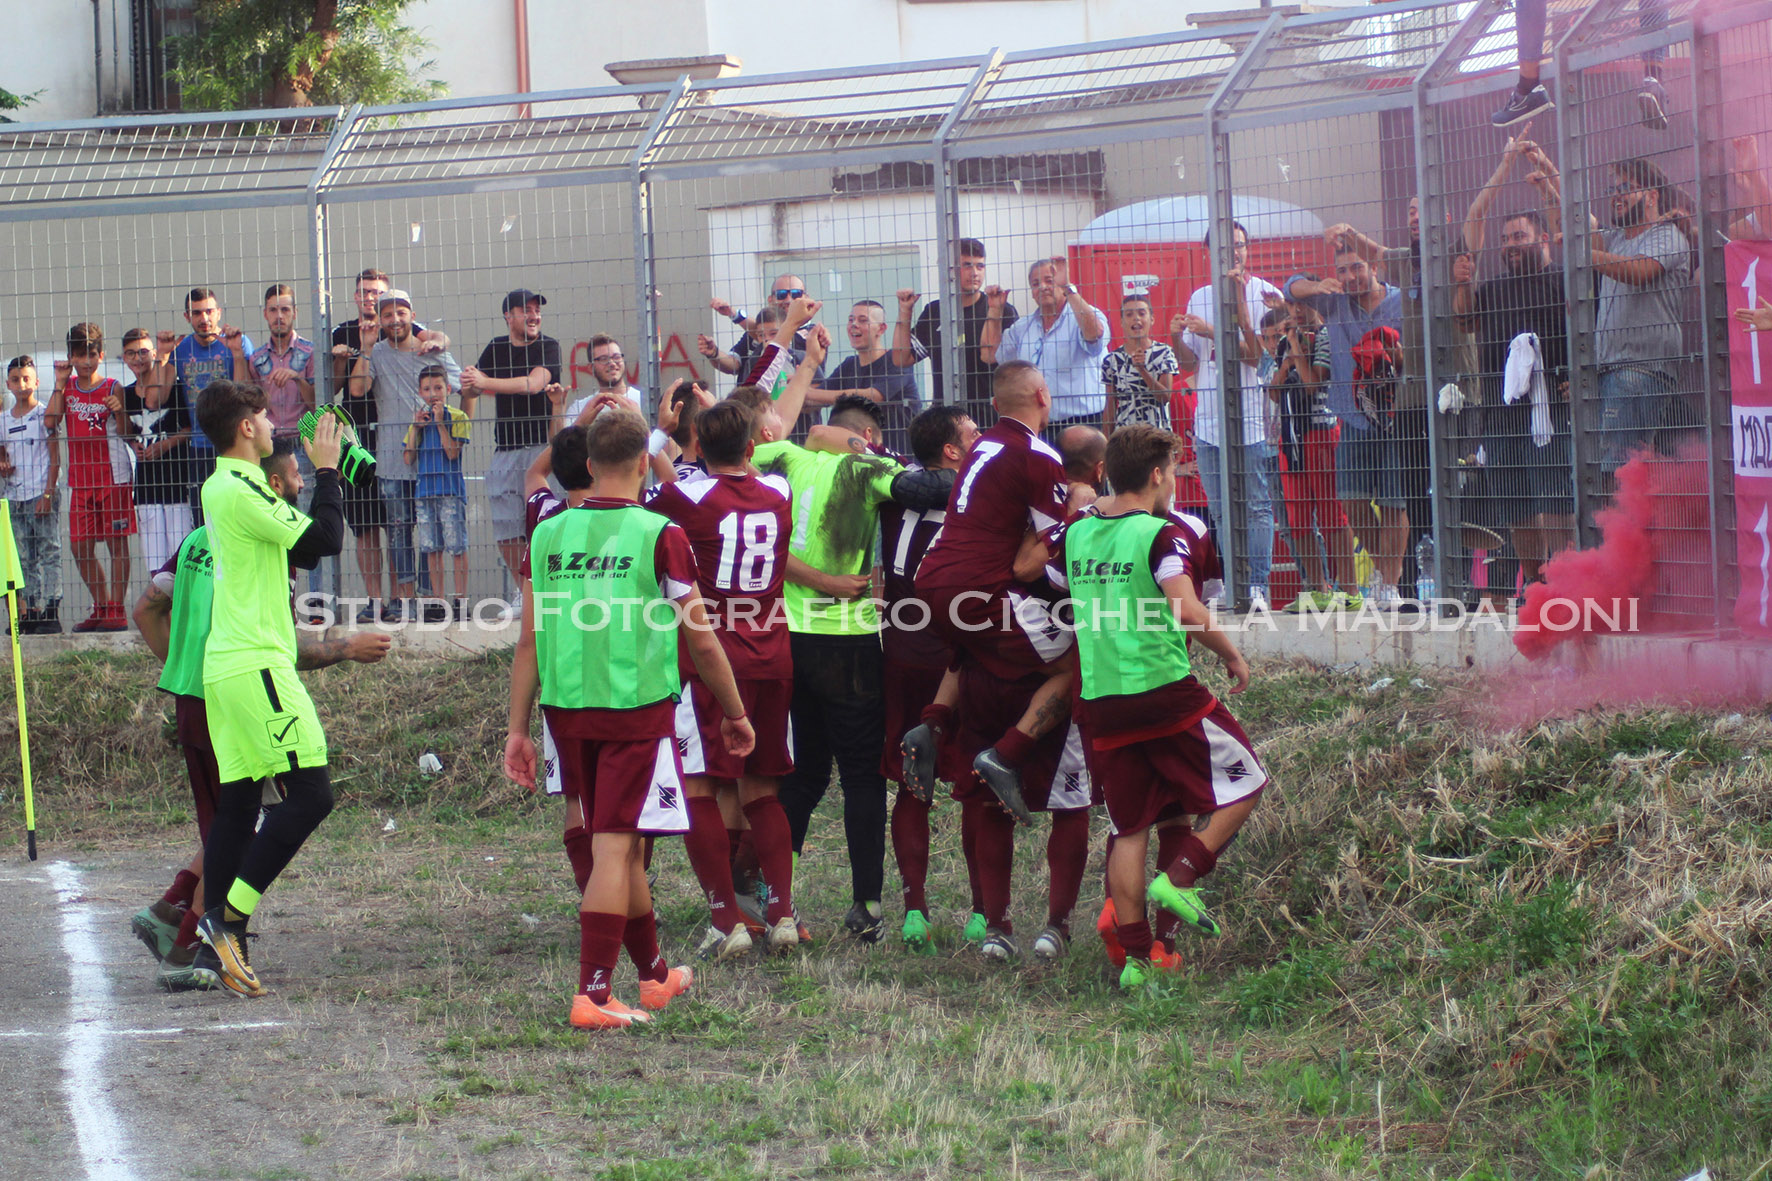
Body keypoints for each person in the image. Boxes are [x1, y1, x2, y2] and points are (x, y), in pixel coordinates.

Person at [505, 408, 754, 1029]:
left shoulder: (547, 533)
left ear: (588, 466)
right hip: (634, 711)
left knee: (623, 845)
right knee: (617, 846)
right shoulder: (659, 533)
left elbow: (530, 641)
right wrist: (735, 712)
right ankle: (592, 993)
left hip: (566, 712)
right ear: (645, 464)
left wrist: (516, 728)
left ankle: (653, 975)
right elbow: (701, 640)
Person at [130, 446, 389, 990]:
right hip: (241, 681)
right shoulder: (266, 540)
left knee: (235, 810)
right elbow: (317, 552)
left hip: (202, 688)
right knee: (291, 801)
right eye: (295, 475)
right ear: (272, 483)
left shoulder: (204, 535)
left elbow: (148, 605)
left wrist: (177, 669)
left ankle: (195, 935)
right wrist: (344, 647)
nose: (300, 483)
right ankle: (210, 933)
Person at [1046, 425, 1266, 990]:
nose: (1174, 481)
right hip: (1164, 691)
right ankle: (1182, 876)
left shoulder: (1078, 531)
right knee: (1248, 781)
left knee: (1129, 826)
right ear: (1156, 475)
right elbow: (1187, 606)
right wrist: (1233, 655)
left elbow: (1042, 571)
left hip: (1101, 699)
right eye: (1172, 470)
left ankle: (1139, 963)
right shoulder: (1162, 534)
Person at [190, 379, 347, 997]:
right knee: (311, 794)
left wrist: (328, 478)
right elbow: (321, 544)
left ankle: (213, 955)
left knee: (240, 803)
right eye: (260, 414)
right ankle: (225, 922)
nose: (269, 423)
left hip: (230, 665)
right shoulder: (239, 486)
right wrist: (328, 472)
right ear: (244, 428)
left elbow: (299, 540)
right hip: (255, 665)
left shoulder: (227, 484)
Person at [648, 399, 802, 959]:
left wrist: (661, 434)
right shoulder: (779, 492)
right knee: (762, 789)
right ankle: (782, 912)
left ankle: (725, 920)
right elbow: (750, 476)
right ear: (753, 447)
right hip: (773, 650)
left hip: (714, 656)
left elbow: (640, 482)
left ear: (698, 446)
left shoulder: (684, 496)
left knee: (699, 787)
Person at [878, 405, 979, 950]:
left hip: (899, 655)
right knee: (972, 786)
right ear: (952, 452)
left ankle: (915, 910)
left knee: (911, 787)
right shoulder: (976, 501)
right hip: (956, 661)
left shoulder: (890, 492)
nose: (981, 440)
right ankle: (984, 911)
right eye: (972, 434)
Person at [1286, 235, 1409, 606]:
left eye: (1357, 267)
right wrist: (1316, 285)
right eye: (1342, 270)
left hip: (1398, 415)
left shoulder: (1400, 301)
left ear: (1373, 266)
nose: (1351, 276)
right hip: (1352, 416)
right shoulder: (1335, 302)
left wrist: (1396, 357)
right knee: (1352, 501)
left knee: (1393, 502)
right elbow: (1290, 287)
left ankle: (1388, 583)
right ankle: (1385, 570)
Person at [1455, 207, 1573, 587]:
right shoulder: (1492, 288)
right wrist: (1462, 283)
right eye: (1505, 239)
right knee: (1517, 504)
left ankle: (1565, 582)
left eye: (1518, 236)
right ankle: (1537, 585)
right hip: (1501, 412)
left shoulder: (1561, 279)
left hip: (1551, 411)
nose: (1510, 245)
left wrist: (1576, 375)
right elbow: (1465, 318)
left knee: (1555, 501)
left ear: (1541, 238)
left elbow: (1588, 328)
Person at [1175, 221, 1284, 611]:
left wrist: (1212, 331)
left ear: (1248, 249)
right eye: (1224, 247)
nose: (1232, 253)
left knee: (1256, 503)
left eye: (1238, 245)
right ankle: (1234, 586)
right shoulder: (1199, 296)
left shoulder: (1266, 294)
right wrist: (1178, 336)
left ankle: (1257, 587)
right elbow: (1189, 364)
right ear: (1209, 253)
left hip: (1253, 417)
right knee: (1220, 507)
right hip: (1208, 420)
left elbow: (1258, 357)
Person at [349, 289, 463, 621]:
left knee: (433, 528)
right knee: (399, 530)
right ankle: (403, 601)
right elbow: (357, 389)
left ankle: (430, 600)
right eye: (387, 314)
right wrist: (367, 347)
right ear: (380, 320)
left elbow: (461, 384)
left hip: (432, 459)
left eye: (401, 312)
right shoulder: (378, 352)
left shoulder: (433, 350)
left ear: (412, 315)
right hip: (391, 458)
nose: (395, 319)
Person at [460, 289, 565, 620]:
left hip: (542, 450)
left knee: (547, 522)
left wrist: (484, 380)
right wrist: (469, 386)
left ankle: (554, 593)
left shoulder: (548, 347)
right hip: (505, 449)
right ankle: (526, 595)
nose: (534, 316)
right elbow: (473, 387)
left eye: (537, 310)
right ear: (509, 316)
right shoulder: (496, 347)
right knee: (507, 525)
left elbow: (533, 384)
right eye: (526, 310)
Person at [44, 323, 135, 632]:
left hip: (113, 475)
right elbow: (50, 422)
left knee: (115, 543)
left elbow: (124, 432)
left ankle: (117, 610)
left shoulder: (112, 386)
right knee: (79, 546)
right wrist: (58, 382)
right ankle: (102, 604)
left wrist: (119, 411)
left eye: (92, 355)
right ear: (70, 356)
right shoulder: (66, 387)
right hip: (80, 480)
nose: (86, 362)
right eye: (79, 355)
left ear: (101, 354)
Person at [1268, 293, 1354, 609]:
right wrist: (1288, 358)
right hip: (1291, 439)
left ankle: (1350, 591)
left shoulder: (1328, 336)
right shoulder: (1285, 343)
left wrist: (1297, 356)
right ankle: (1318, 588)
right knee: (1298, 519)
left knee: (1333, 515)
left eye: (1303, 303)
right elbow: (1275, 395)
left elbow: (1312, 384)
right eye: (1292, 305)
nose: (1298, 310)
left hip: (1322, 432)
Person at [893, 238, 1017, 418]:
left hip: (990, 415)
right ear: (949, 269)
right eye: (966, 265)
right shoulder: (934, 311)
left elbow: (991, 356)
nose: (974, 273)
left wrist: (994, 312)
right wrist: (905, 312)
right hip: (945, 417)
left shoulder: (1002, 309)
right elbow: (901, 359)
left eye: (980, 266)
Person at [995, 258, 1110, 432]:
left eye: (1049, 280)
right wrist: (995, 310)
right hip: (1039, 424)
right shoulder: (1022, 327)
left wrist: (1068, 289)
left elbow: (1094, 334)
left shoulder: (1084, 315)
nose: (1042, 287)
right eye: (1035, 283)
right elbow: (995, 356)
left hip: (1083, 423)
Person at [168, 288, 254, 507]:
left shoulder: (238, 342)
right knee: (203, 514)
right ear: (187, 317)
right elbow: (155, 398)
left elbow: (246, 393)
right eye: (196, 313)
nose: (204, 318)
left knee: (238, 510)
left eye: (208, 311)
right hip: (199, 446)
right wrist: (161, 356)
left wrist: (236, 354)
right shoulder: (181, 349)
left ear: (218, 312)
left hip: (235, 442)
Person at [120, 328, 192, 580]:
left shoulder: (175, 388)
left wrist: (166, 444)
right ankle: (160, 610)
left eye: (142, 352)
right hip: (146, 486)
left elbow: (189, 429)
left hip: (176, 481)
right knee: (155, 558)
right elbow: (125, 431)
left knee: (180, 552)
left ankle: (179, 610)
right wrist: (132, 443)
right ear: (124, 358)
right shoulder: (126, 394)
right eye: (131, 353)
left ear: (152, 353)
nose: (138, 358)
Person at [403, 365, 473, 620]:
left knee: (457, 546)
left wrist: (441, 424)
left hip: (450, 491)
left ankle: (461, 600)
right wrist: (416, 428)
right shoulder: (418, 420)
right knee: (431, 547)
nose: (433, 394)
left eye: (438, 388)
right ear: (420, 392)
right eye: (427, 389)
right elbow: (407, 458)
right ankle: (438, 600)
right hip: (425, 492)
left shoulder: (458, 416)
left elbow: (452, 453)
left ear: (448, 389)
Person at [0, 357, 62, 634]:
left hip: (41, 491)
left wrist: (48, 493)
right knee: (23, 557)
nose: (22, 384)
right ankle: (30, 611)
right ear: (8, 384)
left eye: (27, 378)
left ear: (36, 382)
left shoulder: (43, 415)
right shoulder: (2, 419)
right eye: (16, 379)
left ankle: (51, 609)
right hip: (14, 496)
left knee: (50, 551)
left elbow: (54, 455)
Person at [817, 300, 920, 451]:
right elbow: (817, 399)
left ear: (881, 329)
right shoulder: (849, 365)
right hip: (860, 456)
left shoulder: (896, 361)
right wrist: (810, 364)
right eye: (851, 319)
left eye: (863, 320)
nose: (854, 324)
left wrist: (810, 393)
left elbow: (874, 396)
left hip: (901, 456)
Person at [701, 276, 824, 381]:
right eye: (781, 294)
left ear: (806, 297)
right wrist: (714, 353)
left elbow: (783, 337)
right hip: (754, 404)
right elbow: (734, 364)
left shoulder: (814, 334)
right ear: (770, 299)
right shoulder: (755, 333)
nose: (788, 300)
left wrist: (734, 314)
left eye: (796, 294)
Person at [1101, 293, 1178, 432]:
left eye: (1142, 313)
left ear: (1152, 319)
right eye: (1129, 314)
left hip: (1157, 434)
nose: (1136, 318)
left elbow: (1165, 397)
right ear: (1121, 322)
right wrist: (1106, 443)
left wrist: (1142, 370)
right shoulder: (1112, 360)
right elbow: (1110, 406)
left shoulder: (1164, 352)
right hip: (1125, 437)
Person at [249, 285, 316, 441]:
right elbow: (253, 407)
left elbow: (317, 404)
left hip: (304, 439)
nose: (279, 316)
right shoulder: (256, 358)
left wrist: (298, 379)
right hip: (271, 440)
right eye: (273, 310)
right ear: (265, 314)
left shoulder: (310, 352)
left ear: (295, 313)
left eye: (285, 310)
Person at [561, 334, 645, 425]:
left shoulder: (644, 400)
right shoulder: (579, 407)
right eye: (603, 359)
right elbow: (563, 438)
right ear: (591, 368)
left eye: (617, 357)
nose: (612, 363)